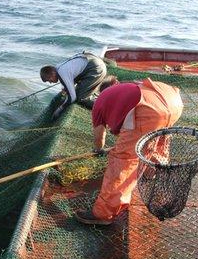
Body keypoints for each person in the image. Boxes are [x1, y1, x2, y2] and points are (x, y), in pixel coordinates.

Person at [75, 77, 184, 225]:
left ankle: (104, 214)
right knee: (156, 140)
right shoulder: (124, 88)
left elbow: (99, 137)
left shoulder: (99, 102)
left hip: (149, 108)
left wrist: (99, 149)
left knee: (122, 161)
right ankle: (151, 172)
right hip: (173, 101)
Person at [40, 52, 113, 119]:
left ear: (52, 74)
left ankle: (108, 110)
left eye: (48, 80)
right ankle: (105, 101)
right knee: (82, 92)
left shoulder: (62, 73)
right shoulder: (59, 67)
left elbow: (72, 98)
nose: (50, 82)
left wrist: (59, 109)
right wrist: (66, 88)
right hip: (95, 63)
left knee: (81, 98)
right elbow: (74, 74)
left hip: (95, 68)